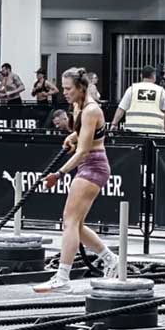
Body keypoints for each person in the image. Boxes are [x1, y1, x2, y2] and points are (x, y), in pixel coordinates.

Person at [33, 68, 119, 293]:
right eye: (63, 88)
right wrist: (72, 136)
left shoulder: (91, 109)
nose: (64, 93)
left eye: (68, 88)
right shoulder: (78, 106)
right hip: (87, 165)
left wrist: (59, 174)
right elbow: (85, 134)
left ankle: (62, 277)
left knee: (69, 221)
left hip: (94, 166)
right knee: (76, 224)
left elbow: (82, 151)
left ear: (81, 88)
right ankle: (111, 260)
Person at [113, 65, 165, 134]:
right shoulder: (161, 91)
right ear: (154, 76)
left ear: (141, 76)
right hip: (155, 133)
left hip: (133, 132)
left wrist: (114, 124)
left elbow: (121, 109)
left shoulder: (132, 89)